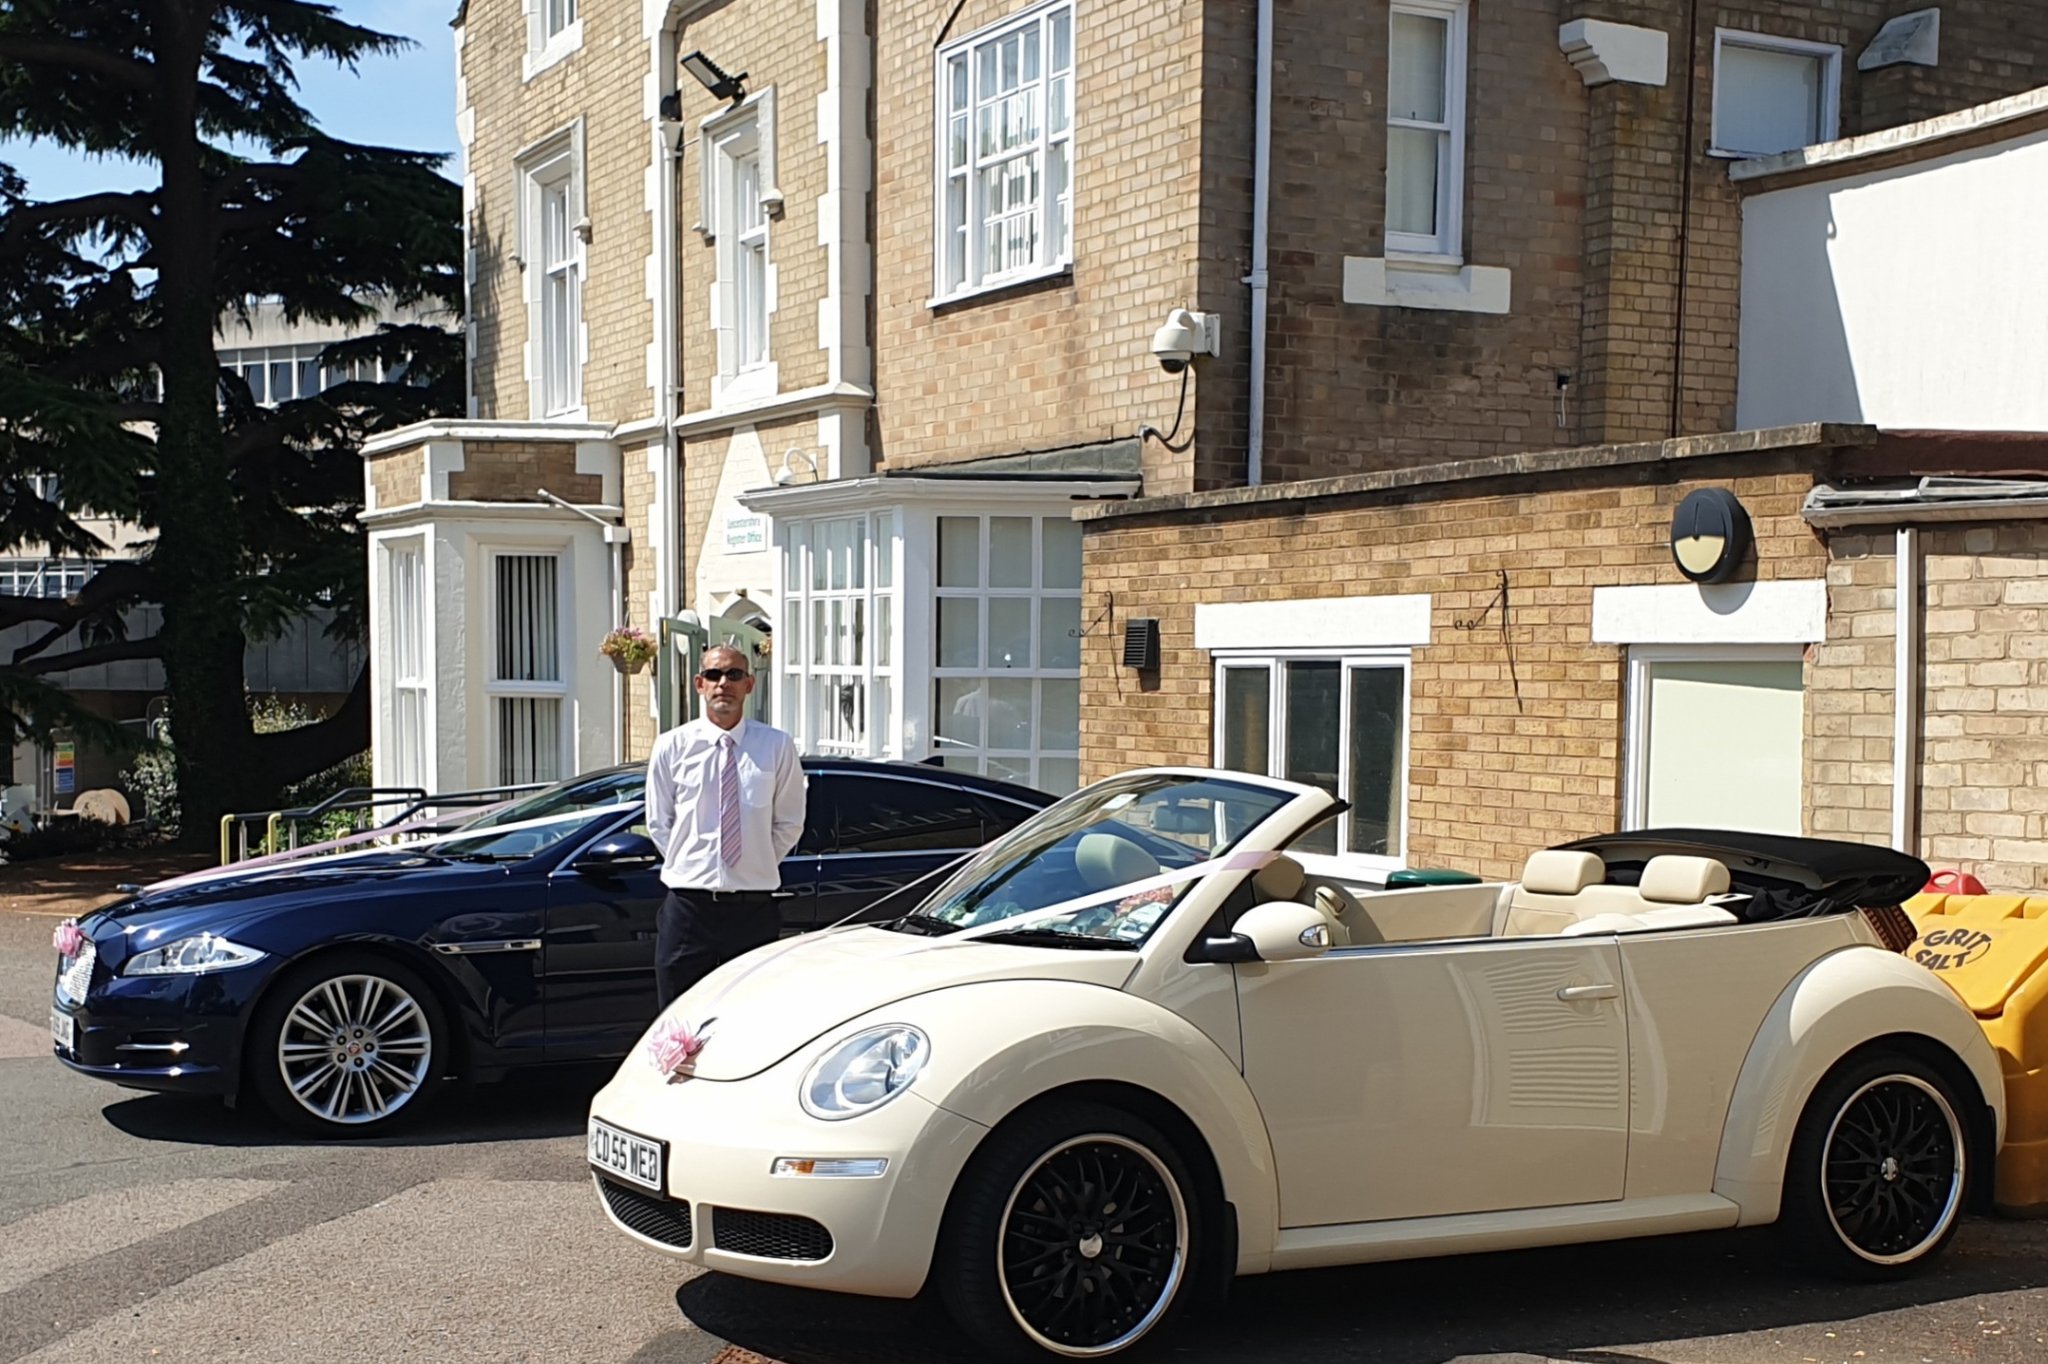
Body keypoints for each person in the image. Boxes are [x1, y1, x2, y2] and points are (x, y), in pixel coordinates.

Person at [644, 644, 807, 1008]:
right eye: (715, 675)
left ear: (749, 685)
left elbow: (789, 822)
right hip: (689, 906)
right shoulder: (672, 746)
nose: (724, 684)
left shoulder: (776, 746)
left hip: (753, 910)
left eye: (734, 675)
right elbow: (659, 822)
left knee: (750, 1016)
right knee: (677, 1017)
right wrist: (694, 862)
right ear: (699, 684)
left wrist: (754, 862)